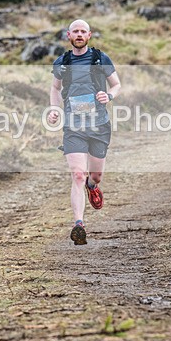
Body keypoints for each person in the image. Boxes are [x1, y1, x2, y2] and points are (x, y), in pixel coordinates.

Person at [48, 19, 121, 246]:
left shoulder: (100, 58)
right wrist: (54, 109)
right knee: (78, 174)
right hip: (74, 126)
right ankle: (79, 225)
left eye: (83, 31)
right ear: (68, 35)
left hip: (99, 125)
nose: (79, 35)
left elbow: (116, 84)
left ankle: (93, 186)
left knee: (94, 176)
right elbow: (55, 88)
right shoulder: (62, 62)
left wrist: (109, 96)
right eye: (75, 31)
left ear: (89, 35)